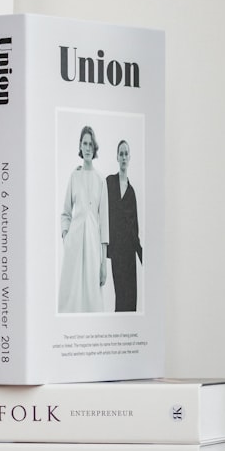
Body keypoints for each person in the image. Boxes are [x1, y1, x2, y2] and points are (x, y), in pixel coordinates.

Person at [58, 126, 109, 312]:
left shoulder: (100, 181)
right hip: (74, 248)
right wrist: (66, 236)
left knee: (93, 303)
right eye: (84, 143)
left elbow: (104, 226)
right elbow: (65, 213)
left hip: (94, 250)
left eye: (90, 144)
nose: (87, 147)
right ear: (80, 146)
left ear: (94, 148)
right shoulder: (74, 176)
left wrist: (104, 264)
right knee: (71, 302)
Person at [106, 140, 143, 311]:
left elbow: (135, 230)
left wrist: (143, 256)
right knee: (120, 298)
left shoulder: (132, 192)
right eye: (120, 153)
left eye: (126, 153)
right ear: (116, 157)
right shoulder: (109, 183)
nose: (123, 157)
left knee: (130, 300)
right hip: (116, 253)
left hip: (129, 255)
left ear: (130, 158)